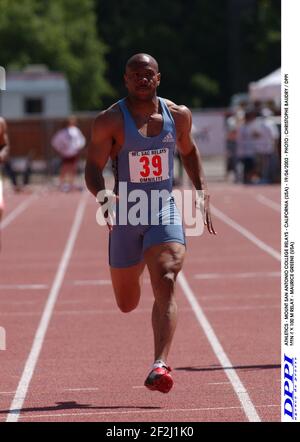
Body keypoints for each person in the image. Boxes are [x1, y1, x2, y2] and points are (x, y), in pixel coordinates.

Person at [85, 53, 216, 394]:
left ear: (159, 78)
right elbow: (92, 167)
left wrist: (200, 191)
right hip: (127, 213)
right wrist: (102, 196)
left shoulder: (178, 115)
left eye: (148, 74)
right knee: (127, 303)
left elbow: (188, 151)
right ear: (126, 80)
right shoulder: (109, 120)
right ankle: (141, 260)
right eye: (135, 75)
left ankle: (160, 363)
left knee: (168, 276)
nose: (142, 80)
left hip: (162, 207)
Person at [51, 116, 86, 192]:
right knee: (64, 168)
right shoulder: (62, 132)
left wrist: (78, 147)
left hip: (74, 153)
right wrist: (60, 149)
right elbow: (55, 142)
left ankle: (71, 184)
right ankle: (62, 184)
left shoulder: (76, 130)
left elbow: (81, 140)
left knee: (73, 168)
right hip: (65, 153)